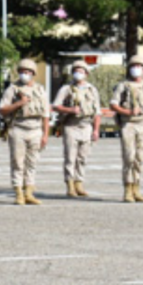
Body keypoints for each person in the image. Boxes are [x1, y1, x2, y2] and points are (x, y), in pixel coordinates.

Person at [0, 58, 50, 205]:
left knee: (32, 162)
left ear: (33, 73)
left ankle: (29, 193)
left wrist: (45, 134)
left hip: (35, 128)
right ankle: (18, 193)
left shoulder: (40, 90)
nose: (24, 74)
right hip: (18, 127)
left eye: (27, 72)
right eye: (22, 72)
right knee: (17, 162)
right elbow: (2, 109)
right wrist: (19, 103)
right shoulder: (12, 89)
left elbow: (46, 114)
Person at [110, 54, 143, 204]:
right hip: (128, 125)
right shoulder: (123, 86)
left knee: (139, 159)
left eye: (139, 66)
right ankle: (127, 189)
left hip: (142, 125)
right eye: (133, 66)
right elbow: (113, 104)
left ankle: (137, 188)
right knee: (129, 158)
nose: (136, 69)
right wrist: (127, 112)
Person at [52, 60, 102, 198]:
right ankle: (70, 184)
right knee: (70, 157)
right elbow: (55, 106)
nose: (78, 73)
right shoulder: (66, 88)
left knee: (83, 157)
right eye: (75, 70)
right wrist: (69, 109)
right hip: (71, 125)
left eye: (81, 71)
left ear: (86, 73)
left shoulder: (92, 90)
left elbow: (97, 112)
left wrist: (96, 130)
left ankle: (79, 182)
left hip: (87, 125)